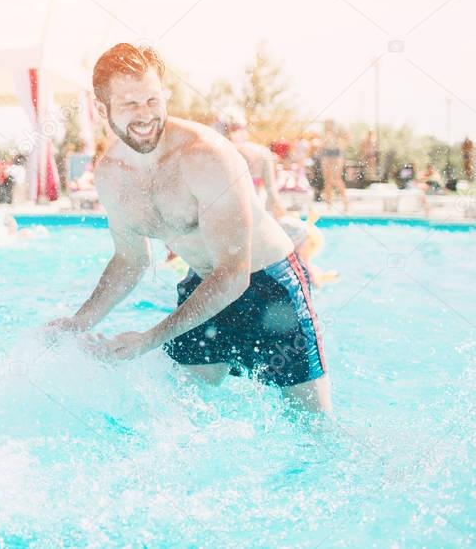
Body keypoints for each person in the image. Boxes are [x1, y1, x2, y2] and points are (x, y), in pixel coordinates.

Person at [48, 43, 331, 413]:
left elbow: (234, 276)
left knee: (313, 432)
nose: (145, 115)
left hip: (269, 291)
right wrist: (79, 321)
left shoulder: (204, 157)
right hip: (203, 288)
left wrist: (148, 340)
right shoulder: (111, 176)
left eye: (152, 100)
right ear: (103, 110)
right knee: (180, 419)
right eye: (130, 104)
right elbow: (130, 260)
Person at [218, 111, 286, 218]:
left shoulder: (219, 153)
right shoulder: (262, 151)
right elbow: (272, 193)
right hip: (254, 211)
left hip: (226, 212)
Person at [319, 120, 348, 213]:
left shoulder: (337, 134)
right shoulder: (325, 134)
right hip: (326, 155)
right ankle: (328, 205)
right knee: (327, 181)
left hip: (335, 155)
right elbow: (322, 146)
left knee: (336, 179)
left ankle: (345, 202)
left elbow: (344, 142)